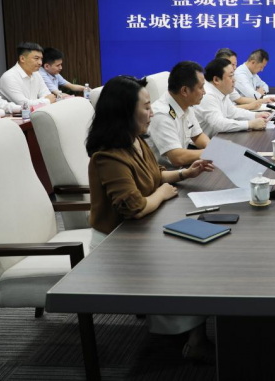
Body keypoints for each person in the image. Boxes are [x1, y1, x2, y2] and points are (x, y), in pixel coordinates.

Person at [86, 75, 215, 362]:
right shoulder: (108, 155)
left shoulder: (134, 141)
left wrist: (185, 173)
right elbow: (135, 207)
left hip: (141, 229)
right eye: (145, 107)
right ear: (124, 112)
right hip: (116, 242)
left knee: (204, 243)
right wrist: (162, 194)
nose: (152, 113)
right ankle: (193, 340)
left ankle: (189, 327)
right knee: (187, 257)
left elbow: (154, 175)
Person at [146, 61, 210, 168]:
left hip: (181, 170)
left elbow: (198, 136)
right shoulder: (161, 115)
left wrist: (211, 147)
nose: (204, 92)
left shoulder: (184, 103)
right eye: (201, 87)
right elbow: (177, 157)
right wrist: (211, 152)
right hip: (164, 175)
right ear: (184, 91)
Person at [195, 58, 272, 137]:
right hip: (204, 143)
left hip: (215, 138)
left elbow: (232, 112)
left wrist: (256, 115)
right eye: (231, 76)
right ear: (216, 80)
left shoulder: (221, 90)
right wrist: (250, 124)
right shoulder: (207, 95)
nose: (234, 80)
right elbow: (219, 124)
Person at [0, 42, 56, 108]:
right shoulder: (9, 77)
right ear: (22, 59)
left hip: (35, 112)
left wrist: (45, 100)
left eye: (41, 59)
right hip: (13, 114)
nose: (40, 62)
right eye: (36, 58)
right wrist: (46, 101)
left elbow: (47, 95)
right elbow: (24, 104)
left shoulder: (36, 74)